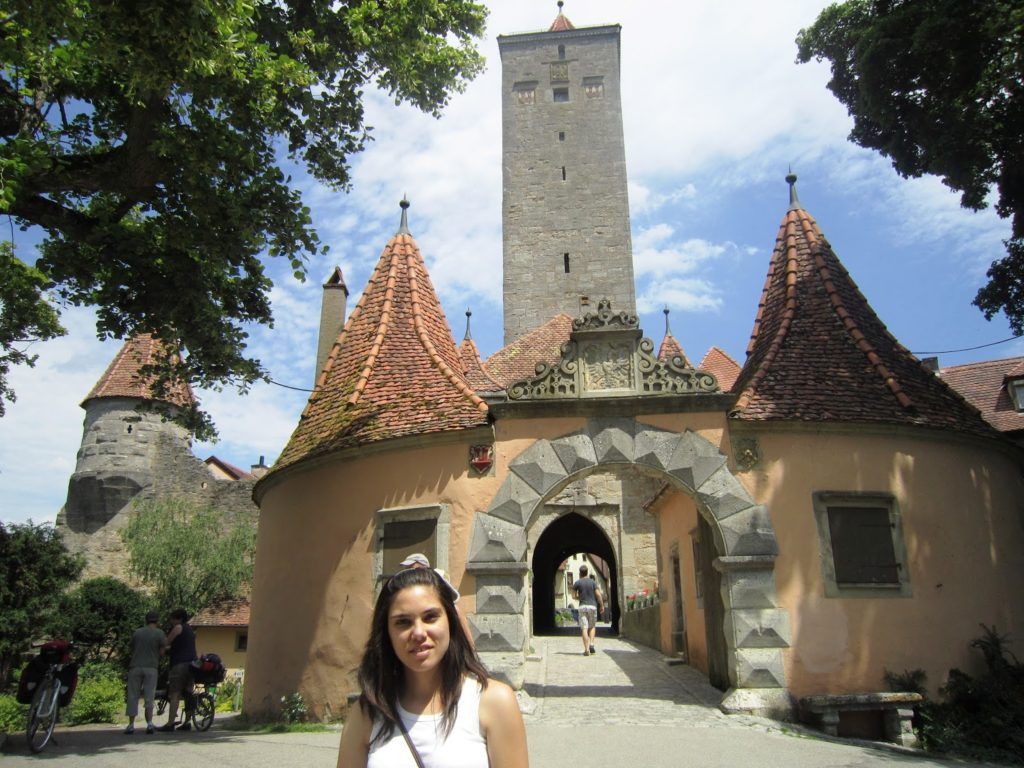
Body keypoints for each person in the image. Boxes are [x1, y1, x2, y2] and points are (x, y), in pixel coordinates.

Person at [337, 566, 528, 767]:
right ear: (386, 634)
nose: (418, 632)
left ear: (450, 622)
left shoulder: (493, 702)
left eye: (430, 617)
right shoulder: (367, 712)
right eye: (403, 622)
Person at [398, 553, 475, 650]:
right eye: (406, 569)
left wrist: (472, 652)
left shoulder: (451, 607)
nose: (409, 573)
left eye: (430, 617)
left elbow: (466, 633)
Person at [124, 610, 166, 735]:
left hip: (135, 666)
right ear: (157, 621)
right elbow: (162, 651)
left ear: (146, 620)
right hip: (151, 667)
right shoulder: (159, 633)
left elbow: (131, 647)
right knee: (149, 695)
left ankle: (131, 725)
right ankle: (149, 724)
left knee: (132, 695)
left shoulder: (137, 632)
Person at [160, 608, 197, 731]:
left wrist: (163, 649)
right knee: (188, 693)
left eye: (172, 618)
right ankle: (187, 722)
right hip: (192, 664)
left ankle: (170, 723)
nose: (171, 621)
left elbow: (167, 641)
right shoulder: (190, 630)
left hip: (180, 664)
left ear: (178, 619)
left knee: (175, 693)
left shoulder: (178, 628)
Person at [572, 563, 604, 657]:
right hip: (593, 606)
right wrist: (601, 605)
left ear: (580, 573)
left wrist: (579, 597)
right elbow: (598, 594)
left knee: (584, 628)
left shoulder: (577, 583)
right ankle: (592, 644)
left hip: (582, 606)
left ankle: (586, 650)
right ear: (587, 573)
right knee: (592, 626)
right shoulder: (593, 582)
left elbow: (573, 596)